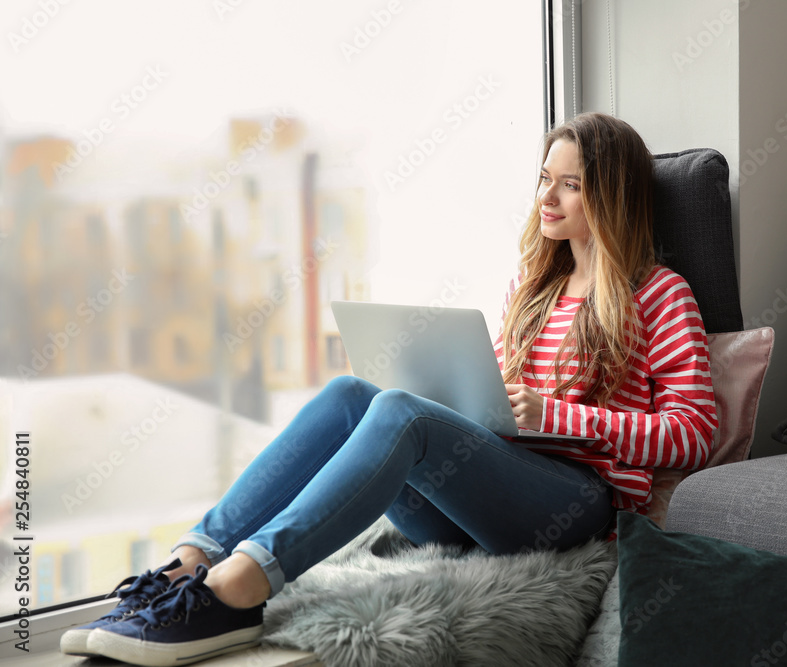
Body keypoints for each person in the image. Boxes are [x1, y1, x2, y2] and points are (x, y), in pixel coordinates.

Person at [60, 111, 718, 666]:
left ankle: (239, 587)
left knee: (402, 412)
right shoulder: (531, 291)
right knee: (355, 395)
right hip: (487, 495)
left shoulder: (659, 294)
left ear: (615, 196)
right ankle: (189, 562)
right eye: (545, 179)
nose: (546, 198)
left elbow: (695, 433)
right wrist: (471, 401)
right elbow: (487, 402)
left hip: (574, 505)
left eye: (569, 185)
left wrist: (559, 416)